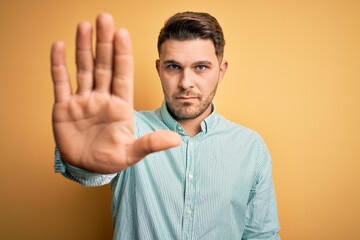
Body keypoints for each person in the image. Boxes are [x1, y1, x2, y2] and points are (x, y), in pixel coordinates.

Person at [51, 11, 281, 239]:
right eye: (173, 67)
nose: (186, 83)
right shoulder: (125, 129)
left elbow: (262, 236)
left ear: (221, 71)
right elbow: (93, 170)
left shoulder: (251, 148)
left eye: (201, 67)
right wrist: (83, 164)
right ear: (159, 69)